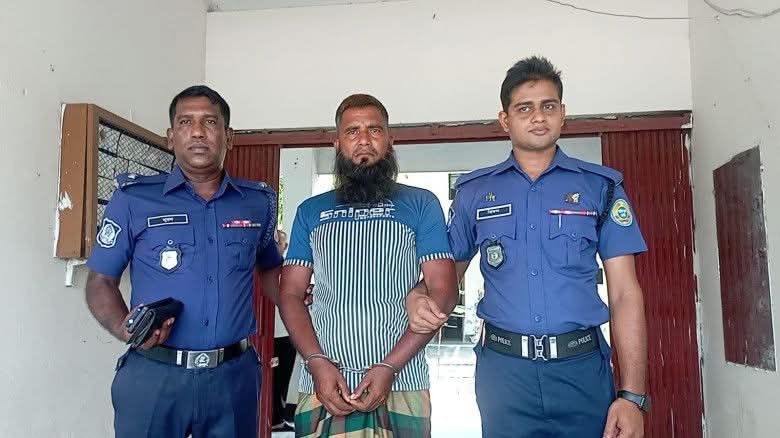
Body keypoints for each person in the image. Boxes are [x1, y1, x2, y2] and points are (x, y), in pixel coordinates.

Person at [406, 56, 650, 438]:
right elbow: (446, 277)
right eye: (524, 108)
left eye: (548, 106)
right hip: (505, 374)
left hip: (581, 370)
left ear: (563, 114)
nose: (538, 117)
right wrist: (418, 294)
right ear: (505, 120)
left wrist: (632, 397)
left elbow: (624, 293)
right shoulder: (474, 193)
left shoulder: (600, 188)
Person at [85, 85, 282, 438]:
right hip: (153, 376)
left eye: (210, 122)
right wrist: (124, 328)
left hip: (233, 378)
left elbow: (270, 270)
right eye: (185, 122)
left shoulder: (257, 202)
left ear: (229, 136)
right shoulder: (134, 199)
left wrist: (300, 295)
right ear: (171, 136)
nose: (198, 132)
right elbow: (100, 281)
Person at [278, 94, 458, 437]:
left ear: (390, 141)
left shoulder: (420, 204)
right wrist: (316, 363)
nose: (364, 140)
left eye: (374, 130)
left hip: (403, 380)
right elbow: (290, 293)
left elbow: (444, 291)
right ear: (337, 143)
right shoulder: (311, 211)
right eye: (352, 131)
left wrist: (390, 366)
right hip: (326, 382)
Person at [272, 229, 297, 432]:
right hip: (267, 336)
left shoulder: (290, 270)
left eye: (278, 243)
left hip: (286, 334)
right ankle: (271, 417)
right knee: (269, 380)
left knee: (282, 379)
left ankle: (278, 417)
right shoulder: (262, 269)